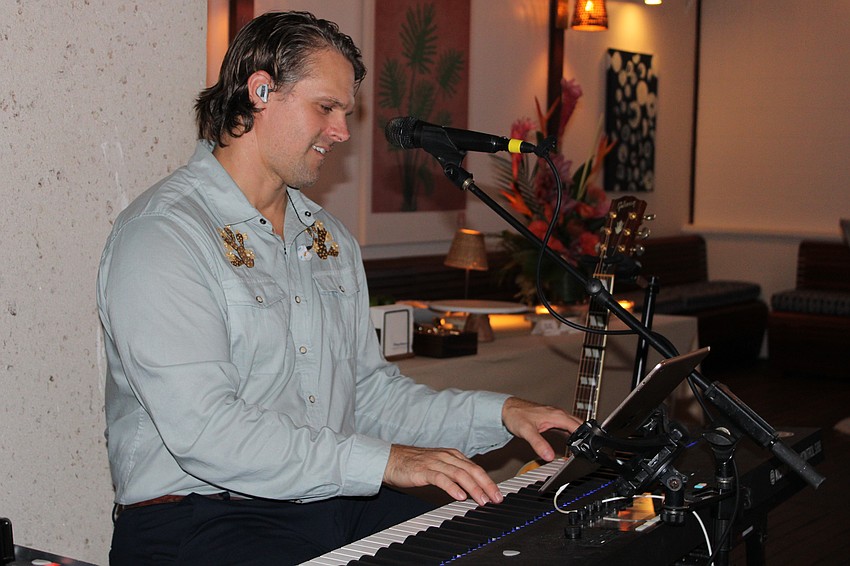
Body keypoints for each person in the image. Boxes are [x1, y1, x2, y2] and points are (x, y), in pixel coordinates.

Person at [97, 10, 582, 565]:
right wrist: (384, 463)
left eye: (345, 113)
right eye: (325, 108)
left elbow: (367, 395)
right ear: (260, 91)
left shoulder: (328, 239)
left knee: (492, 549)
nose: (342, 132)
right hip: (197, 517)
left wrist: (500, 414)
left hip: (325, 499)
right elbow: (208, 432)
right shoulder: (164, 236)